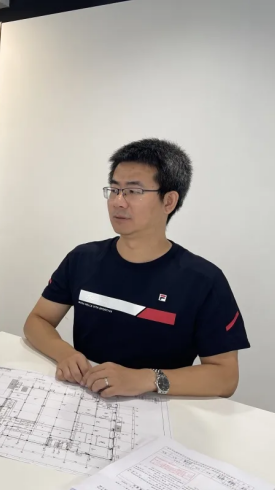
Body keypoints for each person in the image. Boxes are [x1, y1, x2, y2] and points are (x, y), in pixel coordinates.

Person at [24, 139, 250, 398]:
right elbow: (37, 320)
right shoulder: (82, 259)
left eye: (133, 191)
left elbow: (225, 377)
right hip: (85, 397)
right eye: (114, 190)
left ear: (169, 201)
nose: (118, 202)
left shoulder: (204, 280)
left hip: (160, 410)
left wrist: (147, 378)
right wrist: (64, 353)